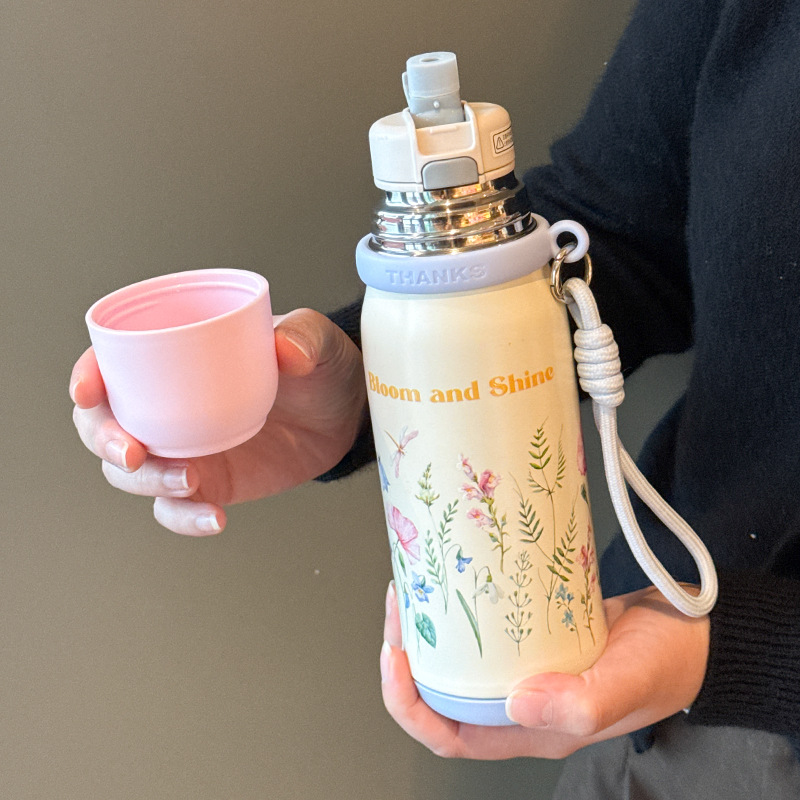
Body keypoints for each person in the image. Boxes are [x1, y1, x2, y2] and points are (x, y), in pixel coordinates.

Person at [71, 0, 800, 794]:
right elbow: (617, 233)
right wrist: (360, 392)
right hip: (658, 670)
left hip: (691, 656)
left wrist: (746, 653)